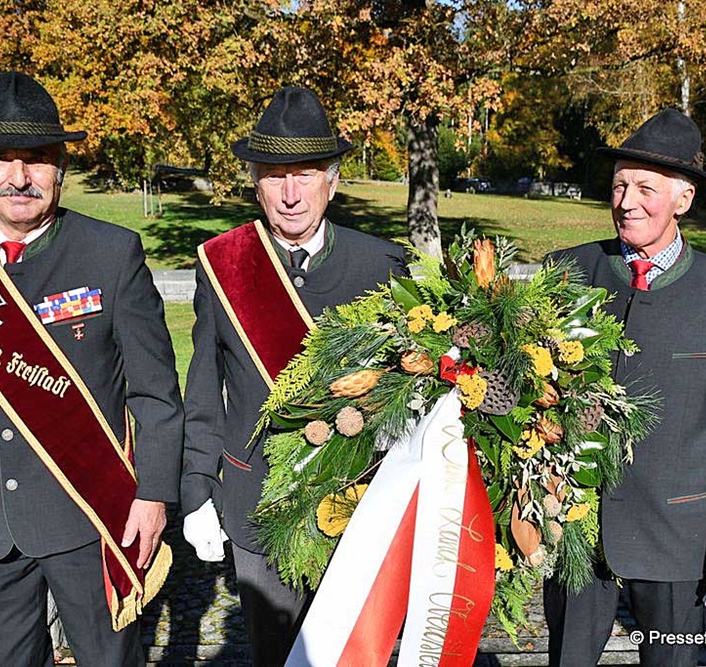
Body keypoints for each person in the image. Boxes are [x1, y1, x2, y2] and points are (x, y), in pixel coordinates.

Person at [0, 71, 184, 666]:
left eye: (35, 159)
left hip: (89, 515)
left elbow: (156, 393)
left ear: (60, 168)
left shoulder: (111, 253)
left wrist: (155, 495)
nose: (18, 177)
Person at [179, 86, 407, 666]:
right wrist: (197, 486)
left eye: (304, 175)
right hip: (257, 496)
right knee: (275, 654)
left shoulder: (382, 264)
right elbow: (203, 386)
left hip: (357, 497)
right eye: (274, 175)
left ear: (332, 181)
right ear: (255, 182)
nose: (289, 194)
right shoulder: (222, 263)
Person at [542, 109, 706, 667]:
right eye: (619, 185)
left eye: (646, 188)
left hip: (675, 537)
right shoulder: (565, 273)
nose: (626, 202)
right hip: (575, 530)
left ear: (683, 199)